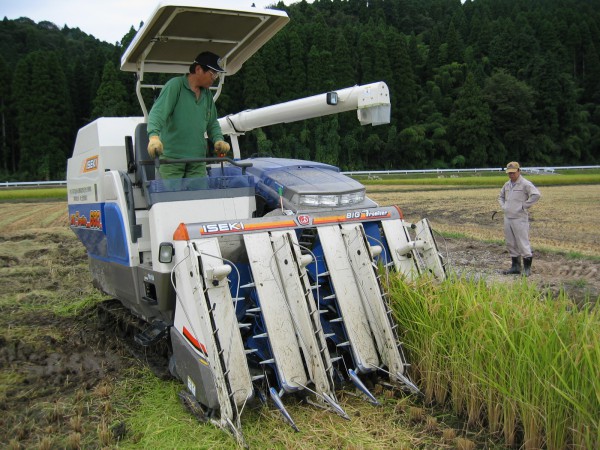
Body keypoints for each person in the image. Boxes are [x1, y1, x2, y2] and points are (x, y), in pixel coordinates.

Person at [146, 51, 231, 180]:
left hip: (197, 161)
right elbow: (157, 114)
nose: (215, 78)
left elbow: (212, 123)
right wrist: (153, 137)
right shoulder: (175, 86)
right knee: (171, 199)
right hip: (171, 161)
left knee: (200, 197)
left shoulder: (207, 95)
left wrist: (218, 139)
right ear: (198, 69)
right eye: (213, 74)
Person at [498, 161, 541, 276]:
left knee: (522, 242)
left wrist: (524, 206)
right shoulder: (507, 184)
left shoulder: (525, 184)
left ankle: (527, 269)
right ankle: (515, 266)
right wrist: (504, 206)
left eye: (513, 172)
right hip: (508, 217)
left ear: (518, 171)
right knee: (511, 242)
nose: (511, 175)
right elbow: (500, 196)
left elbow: (536, 195)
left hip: (519, 218)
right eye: (509, 173)